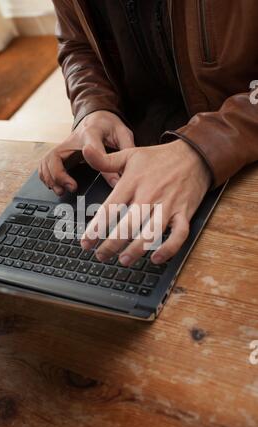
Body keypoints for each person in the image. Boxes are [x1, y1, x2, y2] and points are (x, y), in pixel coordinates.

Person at [39, 0, 258, 267]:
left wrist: (203, 147)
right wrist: (94, 108)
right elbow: (76, 43)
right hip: (136, 159)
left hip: (241, 157)